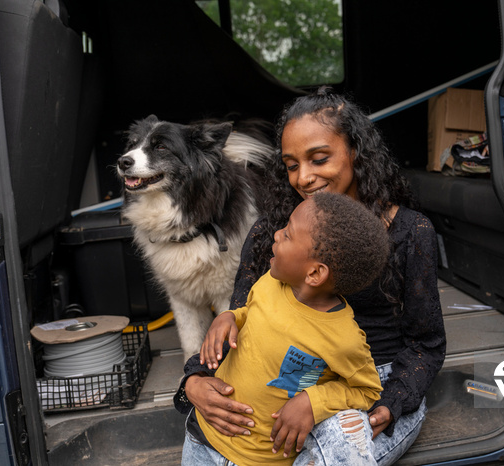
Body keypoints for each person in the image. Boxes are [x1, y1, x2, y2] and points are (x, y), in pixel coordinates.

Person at [175, 87, 446, 466]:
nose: (303, 178)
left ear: (356, 152)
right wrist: (193, 383)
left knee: (335, 444)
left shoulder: (410, 232)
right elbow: (238, 327)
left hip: (370, 386)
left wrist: (394, 400)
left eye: (319, 158)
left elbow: (426, 344)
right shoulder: (273, 235)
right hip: (285, 381)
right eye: (290, 165)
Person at [183, 192, 390, 465]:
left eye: (289, 235)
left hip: (261, 460)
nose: (278, 234)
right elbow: (252, 313)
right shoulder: (271, 281)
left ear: (315, 274)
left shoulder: (343, 339)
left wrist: (312, 402)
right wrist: (230, 317)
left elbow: (367, 391)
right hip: (203, 440)